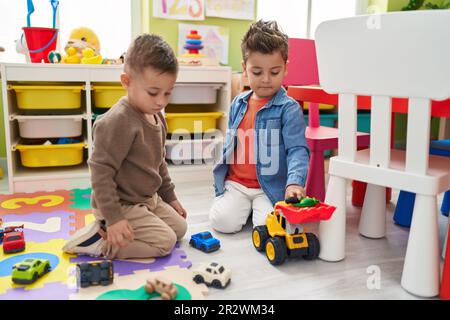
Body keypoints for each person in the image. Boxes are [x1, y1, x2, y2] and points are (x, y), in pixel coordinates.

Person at [63, 34, 187, 259]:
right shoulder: (117, 122)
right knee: (166, 242)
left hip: (146, 199)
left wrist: (171, 198)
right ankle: (101, 243)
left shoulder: (156, 116)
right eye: (153, 92)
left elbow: (159, 163)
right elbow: (101, 174)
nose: (161, 101)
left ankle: (127, 229)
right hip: (120, 204)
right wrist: (114, 218)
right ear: (126, 82)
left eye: (168, 92)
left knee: (180, 229)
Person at [210, 20, 310, 233]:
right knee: (222, 222)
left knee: (270, 228)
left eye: (274, 72)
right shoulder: (239, 102)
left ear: (285, 68)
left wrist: (294, 183)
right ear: (245, 68)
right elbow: (231, 142)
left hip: (270, 187)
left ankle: (255, 210)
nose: (266, 80)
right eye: (257, 72)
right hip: (236, 183)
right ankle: (242, 208)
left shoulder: (288, 109)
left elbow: (297, 150)